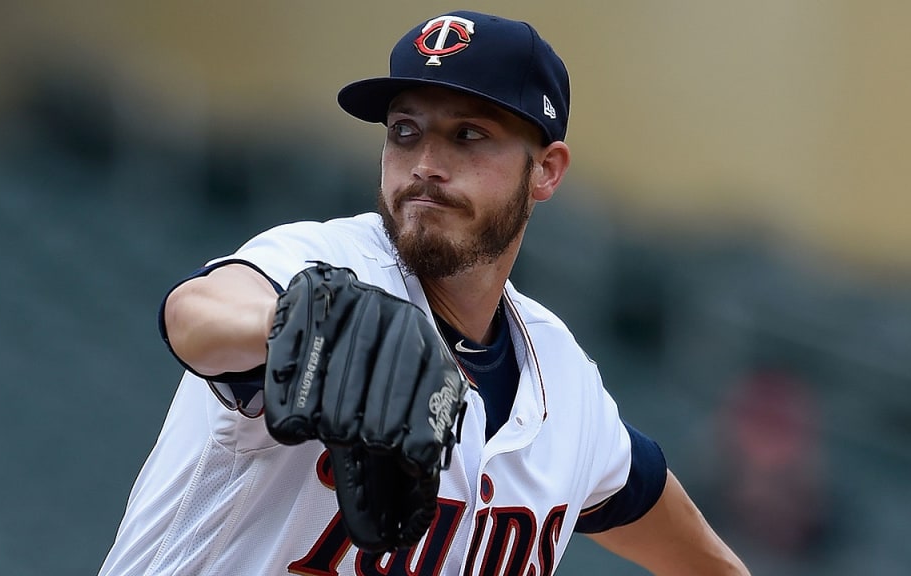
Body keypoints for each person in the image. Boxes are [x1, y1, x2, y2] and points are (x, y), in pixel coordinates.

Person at [99, 10, 749, 576]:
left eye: (468, 135)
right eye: (405, 131)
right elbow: (196, 314)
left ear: (546, 170)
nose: (425, 165)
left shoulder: (567, 389)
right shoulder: (324, 264)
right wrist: (300, 325)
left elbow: (703, 560)